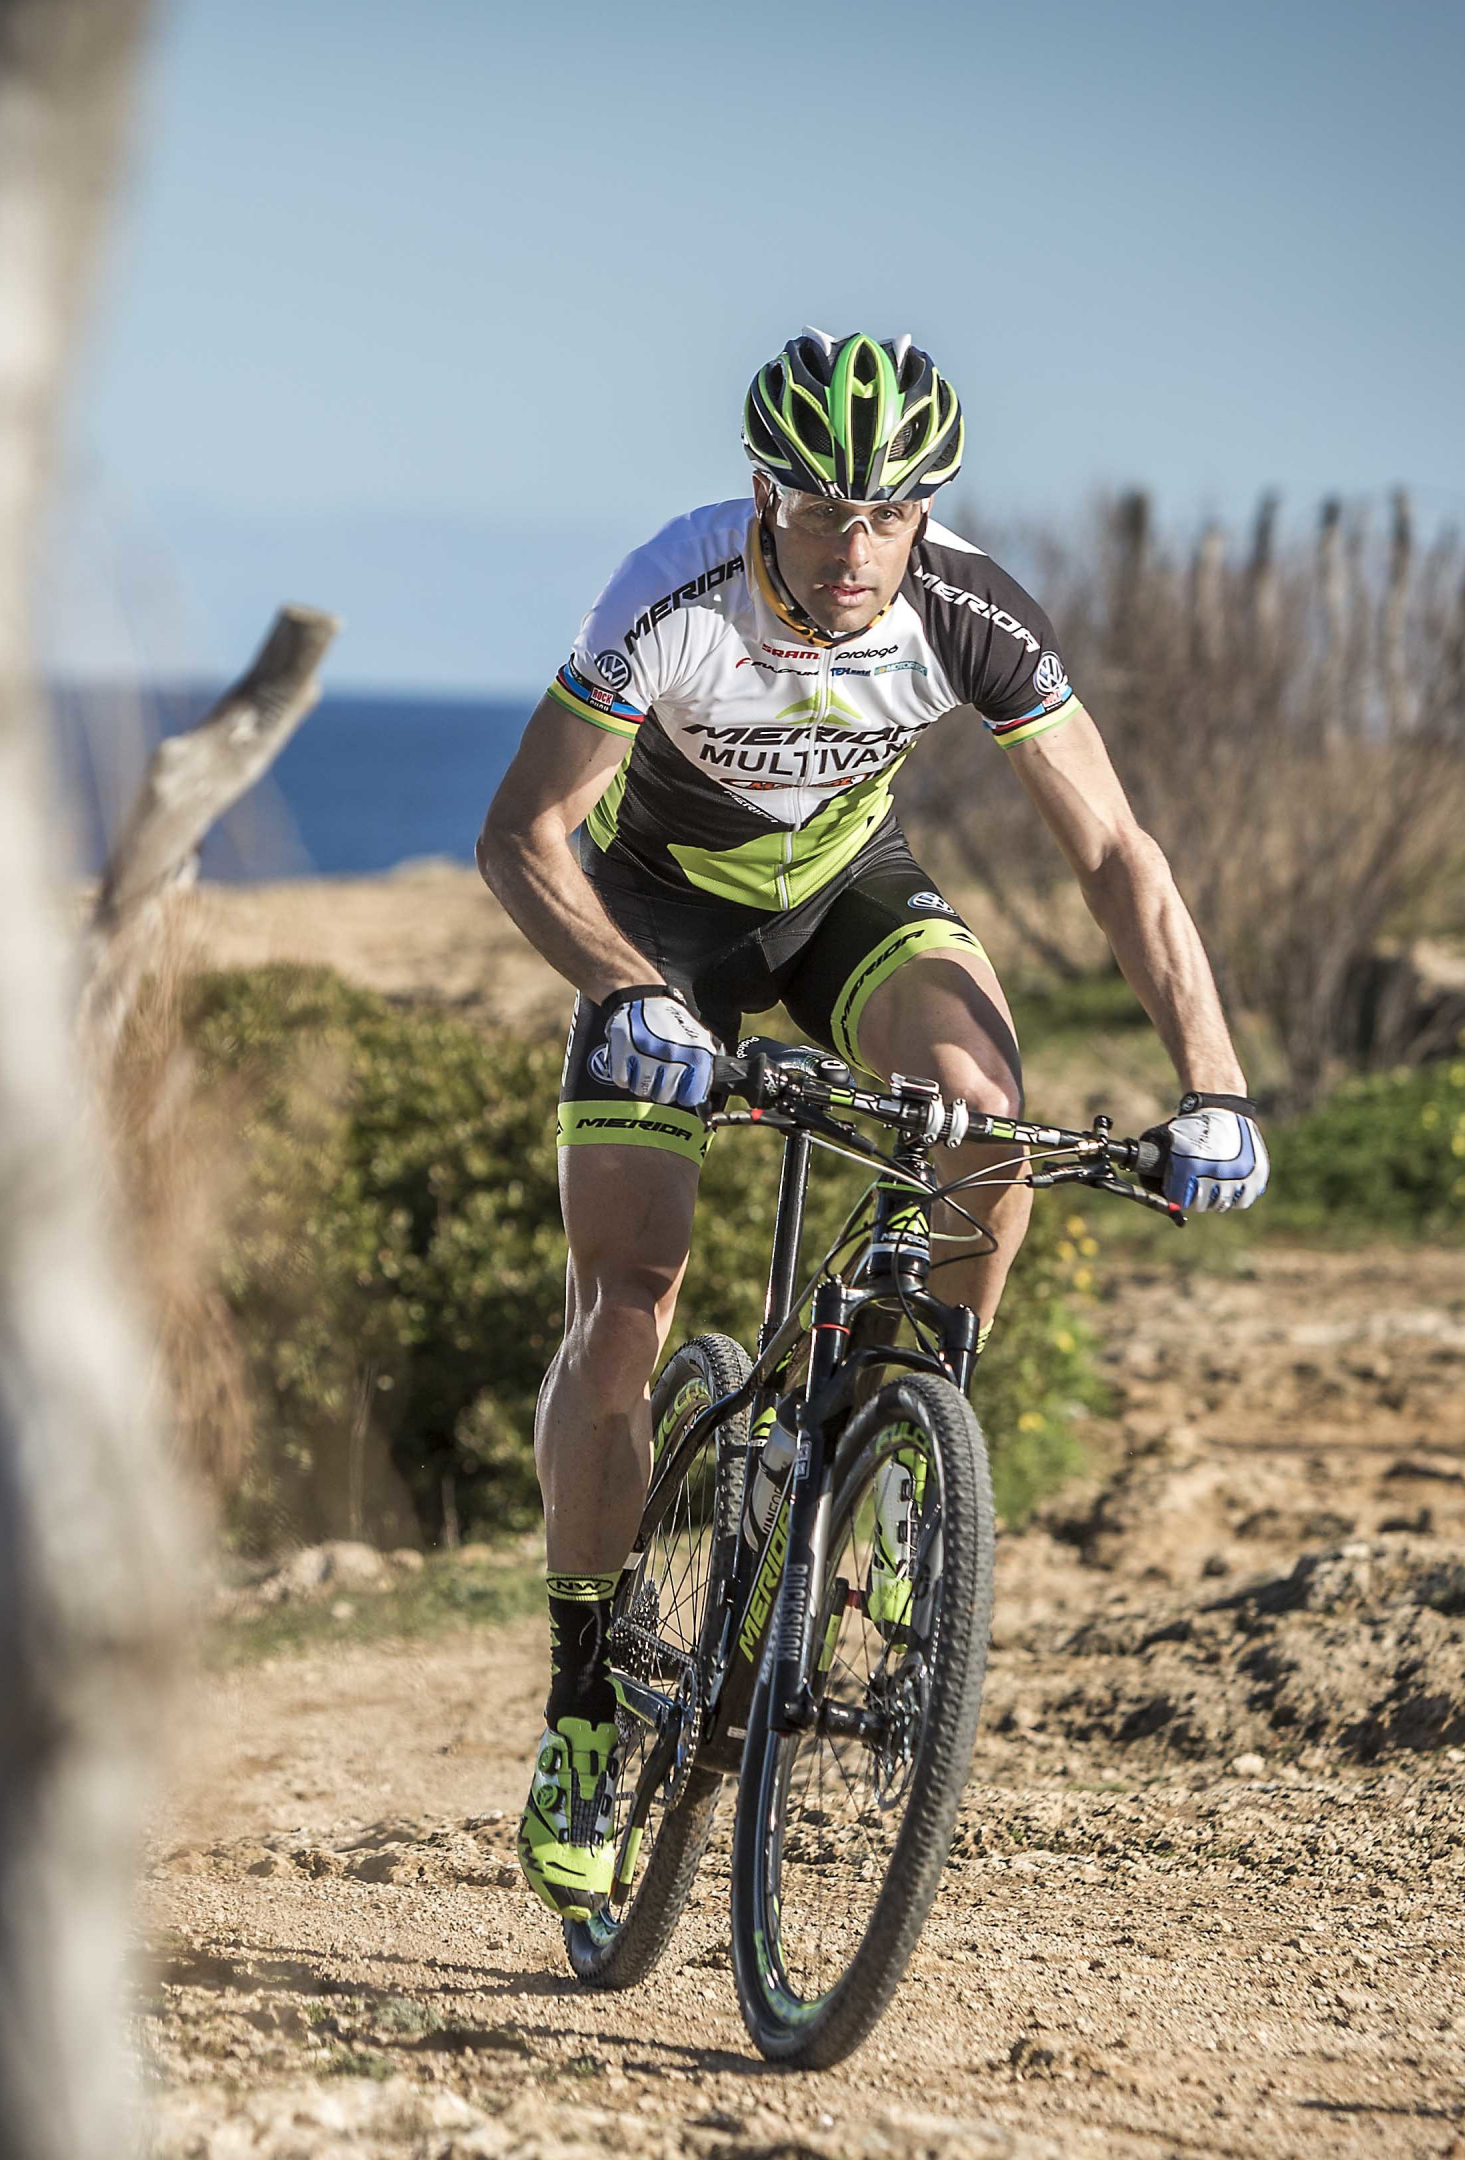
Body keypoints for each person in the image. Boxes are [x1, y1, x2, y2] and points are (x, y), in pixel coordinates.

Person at [476, 331, 1269, 1915]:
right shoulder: (673, 593)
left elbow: (1117, 852)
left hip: (846, 900)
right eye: (826, 510)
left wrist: (1217, 1083)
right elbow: (523, 835)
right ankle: (581, 1706)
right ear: (764, 492)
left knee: (990, 1122)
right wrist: (627, 994)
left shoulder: (971, 611)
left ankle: (913, 1450)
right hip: (660, 924)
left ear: (926, 514)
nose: (856, 549)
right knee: (627, 1305)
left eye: (890, 515)